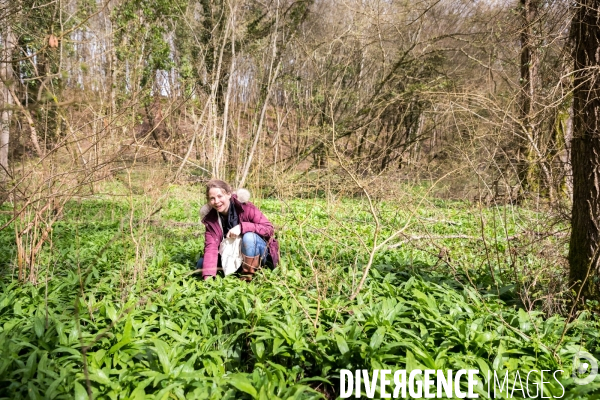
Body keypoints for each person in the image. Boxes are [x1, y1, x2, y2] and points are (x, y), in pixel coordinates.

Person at [197, 179, 279, 281]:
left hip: (259, 253)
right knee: (201, 265)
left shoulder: (246, 208)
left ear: (229, 194)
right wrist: (208, 277)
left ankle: (248, 276)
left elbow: (269, 229)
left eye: (219, 196)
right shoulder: (211, 220)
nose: (217, 202)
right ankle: (237, 269)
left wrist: (242, 227)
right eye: (212, 198)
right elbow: (211, 247)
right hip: (233, 252)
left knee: (249, 237)